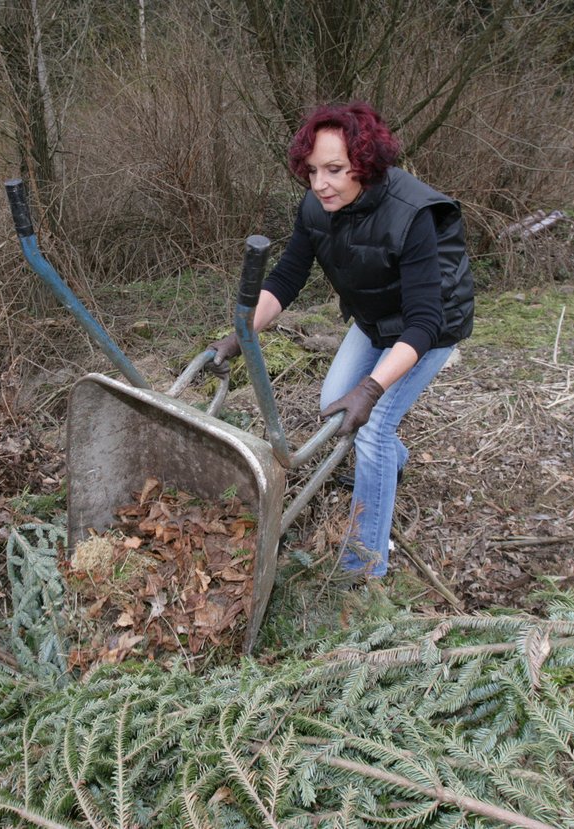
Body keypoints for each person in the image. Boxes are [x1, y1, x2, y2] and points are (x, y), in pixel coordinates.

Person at [208, 102, 473, 578]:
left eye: (333, 170)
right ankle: (391, 467)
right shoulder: (317, 206)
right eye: (311, 171)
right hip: (374, 320)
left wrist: (372, 389)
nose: (319, 184)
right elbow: (288, 277)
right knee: (335, 404)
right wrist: (241, 335)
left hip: (428, 329)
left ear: (365, 165)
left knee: (371, 428)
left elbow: (423, 321)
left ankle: (363, 568)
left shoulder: (413, 214)